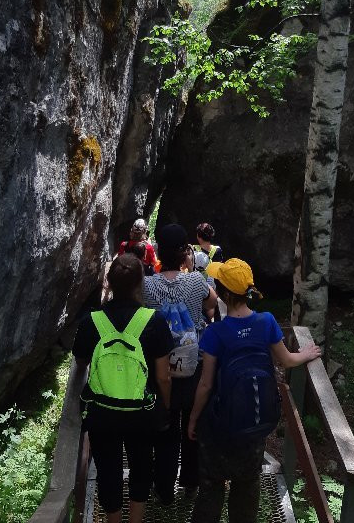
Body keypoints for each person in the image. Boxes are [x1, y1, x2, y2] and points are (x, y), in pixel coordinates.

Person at [188, 258, 321, 523]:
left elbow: (205, 383)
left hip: (218, 424)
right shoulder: (267, 322)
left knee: (212, 484)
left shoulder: (216, 332)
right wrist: (304, 353)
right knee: (247, 485)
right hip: (253, 419)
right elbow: (286, 360)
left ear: (224, 293)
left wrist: (192, 419)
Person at [72, 255, 173, 523]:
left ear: (109, 283)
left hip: (102, 411)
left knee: (107, 470)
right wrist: (165, 407)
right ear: (141, 282)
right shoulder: (154, 321)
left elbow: (81, 361)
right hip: (141, 411)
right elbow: (163, 377)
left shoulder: (91, 322)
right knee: (141, 466)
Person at [144, 224, 217, 504]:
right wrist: (192, 268)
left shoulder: (147, 285)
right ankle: (190, 483)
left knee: (164, 428)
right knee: (192, 424)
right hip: (193, 365)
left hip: (160, 367)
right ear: (184, 252)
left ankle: (163, 488)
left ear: (159, 250)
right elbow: (213, 301)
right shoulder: (196, 281)